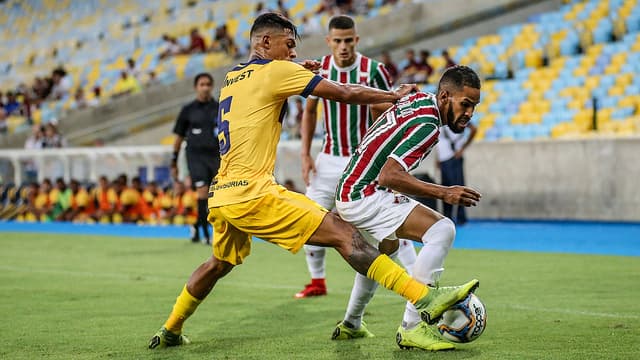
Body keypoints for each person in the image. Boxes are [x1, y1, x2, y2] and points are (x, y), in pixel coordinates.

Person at [148, 13, 479, 350]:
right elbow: (346, 92)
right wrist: (393, 96)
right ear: (265, 42)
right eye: (288, 45)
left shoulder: (233, 77)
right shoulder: (277, 71)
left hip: (223, 194)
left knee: (218, 263)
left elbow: (265, 92)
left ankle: (171, 328)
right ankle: (424, 299)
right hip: (255, 193)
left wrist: (297, 71)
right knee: (345, 234)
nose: (293, 53)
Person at [331, 65, 482, 351]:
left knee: (381, 254)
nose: (470, 113)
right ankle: (413, 327)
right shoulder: (428, 125)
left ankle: (351, 323)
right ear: (446, 96)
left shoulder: (420, 99)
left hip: (351, 188)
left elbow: (379, 106)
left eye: (474, 106)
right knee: (442, 229)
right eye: (465, 104)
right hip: (365, 193)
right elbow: (390, 175)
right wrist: (444, 192)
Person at [296, 15, 417, 299]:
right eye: (337, 41)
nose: (343, 46)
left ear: (357, 40)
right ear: (329, 42)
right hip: (327, 158)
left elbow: (388, 111)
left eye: (348, 40)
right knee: (308, 218)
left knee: (389, 222)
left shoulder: (373, 70)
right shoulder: (320, 69)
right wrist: (305, 154)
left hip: (363, 163)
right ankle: (317, 281)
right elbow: (309, 112)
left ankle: (418, 277)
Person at [171, 72, 220, 244]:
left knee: (214, 196)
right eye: (202, 84)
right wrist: (174, 161)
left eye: (208, 84)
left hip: (215, 156)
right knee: (202, 191)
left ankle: (197, 226)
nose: (205, 87)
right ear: (196, 87)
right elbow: (178, 138)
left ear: (212, 87)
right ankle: (206, 233)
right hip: (195, 156)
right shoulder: (188, 110)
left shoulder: (219, 108)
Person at [437, 118, 477, 225]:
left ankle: (461, 217)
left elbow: (474, 129)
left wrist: (462, 149)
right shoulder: (441, 118)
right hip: (443, 158)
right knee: (445, 188)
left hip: (454, 157)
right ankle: (447, 217)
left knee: (459, 187)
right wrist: (438, 159)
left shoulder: (457, 116)